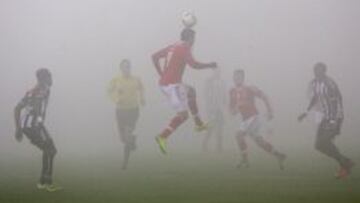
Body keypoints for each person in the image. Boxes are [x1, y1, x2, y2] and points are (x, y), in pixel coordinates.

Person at [152, 28, 217, 154]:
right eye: (193, 39)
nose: (194, 42)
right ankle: (162, 137)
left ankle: (198, 124)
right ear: (190, 38)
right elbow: (194, 65)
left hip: (168, 83)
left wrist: (161, 74)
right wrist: (209, 65)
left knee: (191, 91)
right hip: (172, 86)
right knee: (183, 116)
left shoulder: (173, 46)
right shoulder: (185, 47)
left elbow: (154, 57)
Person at [298, 62, 354, 179]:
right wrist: (305, 112)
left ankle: (344, 165)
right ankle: (345, 162)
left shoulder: (329, 83)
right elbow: (315, 98)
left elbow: (339, 99)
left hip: (334, 117)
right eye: (315, 70)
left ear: (324, 71)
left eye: (319, 70)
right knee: (318, 145)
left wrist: (339, 118)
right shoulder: (314, 83)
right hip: (325, 118)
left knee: (324, 141)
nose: (316, 72)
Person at [14, 68, 62, 192]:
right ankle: (48, 183)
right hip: (34, 126)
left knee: (48, 150)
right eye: (49, 76)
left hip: (30, 126)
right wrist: (36, 121)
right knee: (51, 150)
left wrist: (18, 129)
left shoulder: (31, 91)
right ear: (43, 79)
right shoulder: (43, 90)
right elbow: (35, 105)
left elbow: (17, 109)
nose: (51, 79)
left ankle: (42, 182)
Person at [229, 69, 286, 169]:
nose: (237, 78)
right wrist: (234, 110)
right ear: (233, 78)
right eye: (235, 76)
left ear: (243, 78)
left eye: (239, 76)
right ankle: (279, 155)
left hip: (253, 117)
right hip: (245, 120)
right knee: (259, 142)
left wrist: (270, 111)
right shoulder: (232, 91)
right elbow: (232, 110)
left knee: (239, 135)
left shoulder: (249, 88)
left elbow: (264, 96)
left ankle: (245, 161)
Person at [108, 59, 145, 169]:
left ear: (130, 67)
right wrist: (115, 99)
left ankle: (125, 163)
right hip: (120, 111)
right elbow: (109, 91)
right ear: (121, 68)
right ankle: (132, 140)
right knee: (123, 139)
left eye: (128, 66)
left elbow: (142, 88)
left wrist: (142, 98)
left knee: (127, 135)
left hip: (133, 110)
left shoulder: (136, 79)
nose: (126, 69)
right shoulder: (116, 80)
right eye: (124, 67)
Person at [203, 68, 226, 152]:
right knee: (211, 127)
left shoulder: (222, 82)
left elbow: (224, 95)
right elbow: (206, 94)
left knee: (220, 127)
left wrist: (225, 104)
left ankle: (219, 147)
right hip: (212, 108)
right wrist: (209, 107)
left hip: (220, 109)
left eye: (219, 72)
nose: (218, 73)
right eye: (216, 71)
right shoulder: (209, 81)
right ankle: (204, 145)